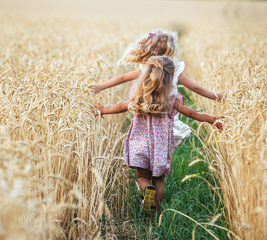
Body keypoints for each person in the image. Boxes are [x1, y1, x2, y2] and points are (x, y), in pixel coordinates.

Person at [92, 56, 223, 215]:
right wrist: (213, 120)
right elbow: (192, 113)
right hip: (160, 148)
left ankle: (147, 189)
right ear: (169, 80)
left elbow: (120, 107)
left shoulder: (140, 98)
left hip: (140, 145)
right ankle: (155, 213)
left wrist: (102, 110)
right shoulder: (171, 100)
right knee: (159, 180)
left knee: (142, 177)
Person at [90, 30, 224, 147]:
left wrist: (100, 89)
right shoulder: (175, 73)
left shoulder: (142, 81)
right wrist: (216, 99)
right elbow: (194, 94)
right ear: (171, 52)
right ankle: (159, 166)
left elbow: (122, 80)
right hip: (166, 115)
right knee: (161, 157)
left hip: (144, 113)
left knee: (143, 165)